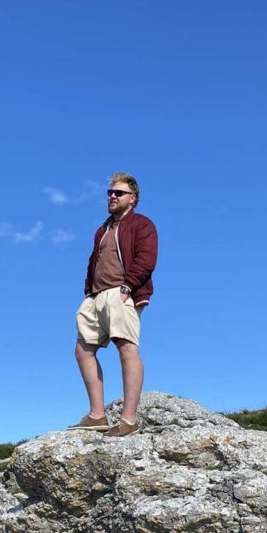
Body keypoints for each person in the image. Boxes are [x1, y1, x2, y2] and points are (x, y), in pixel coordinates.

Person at [69, 172, 158, 437]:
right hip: (96, 296)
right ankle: (97, 415)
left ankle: (128, 420)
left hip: (122, 293)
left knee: (126, 349)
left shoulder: (142, 225)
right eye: (110, 193)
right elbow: (92, 261)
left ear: (132, 198)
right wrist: (89, 292)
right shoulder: (103, 229)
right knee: (83, 351)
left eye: (118, 193)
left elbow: (147, 259)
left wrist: (127, 287)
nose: (112, 197)